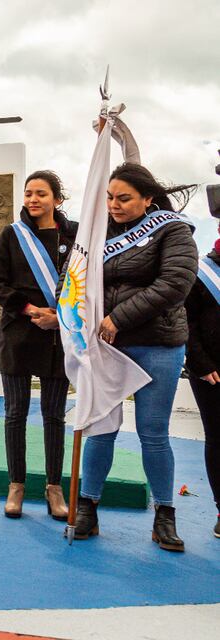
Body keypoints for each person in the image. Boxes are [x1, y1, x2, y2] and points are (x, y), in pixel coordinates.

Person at [75, 163, 198, 552]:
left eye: (124, 198)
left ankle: (164, 516)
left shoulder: (172, 230)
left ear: (148, 199)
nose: (114, 205)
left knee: (153, 433)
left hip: (157, 345)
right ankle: (87, 509)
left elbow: (175, 284)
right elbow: (73, 278)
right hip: (105, 347)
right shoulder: (95, 233)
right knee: (100, 429)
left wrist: (118, 317)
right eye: (109, 197)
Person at [0, 171, 78, 520]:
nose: (33, 199)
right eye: (28, 194)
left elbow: (86, 281)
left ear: (58, 198)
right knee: (15, 414)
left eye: (41, 193)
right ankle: (16, 486)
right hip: (18, 336)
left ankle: (54, 488)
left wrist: (62, 314)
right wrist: (27, 308)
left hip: (59, 335)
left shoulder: (75, 235)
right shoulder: (12, 236)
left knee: (54, 416)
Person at [185, 216, 220, 538]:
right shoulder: (203, 273)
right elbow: (188, 322)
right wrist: (201, 363)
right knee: (218, 439)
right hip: (211, 372)